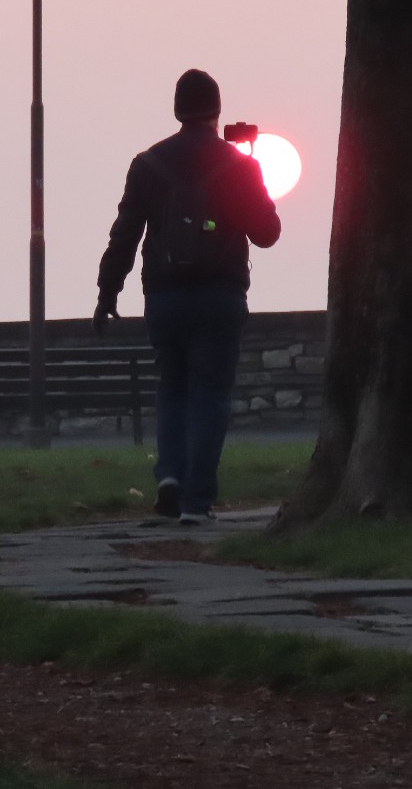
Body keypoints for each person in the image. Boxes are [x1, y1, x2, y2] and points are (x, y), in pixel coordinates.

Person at [93, 69, 281, 524]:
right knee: (211, 394)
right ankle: (198, 500)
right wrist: (247, 169)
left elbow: (125, 234)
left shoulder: (148, 163)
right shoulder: (239, 165)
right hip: (220, 294)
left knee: (172, 388)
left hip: (165, 295)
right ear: (217, 110)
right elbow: (267, 234)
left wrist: (107, 289)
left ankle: (169, 478)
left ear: (177, 110)